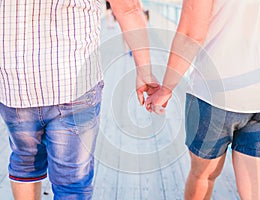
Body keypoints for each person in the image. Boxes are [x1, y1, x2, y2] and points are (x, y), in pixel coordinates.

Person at [0, 0, 158, 199]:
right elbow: (128, 8)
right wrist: (144, 70)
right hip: (73, 81)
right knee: (72, 184)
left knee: (24, 164)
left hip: (15, 83)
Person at [145, 0, 260, 199]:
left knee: (203, 177)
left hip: (216, 94)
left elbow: (191, 33)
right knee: (256, 194)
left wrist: (166, 89)